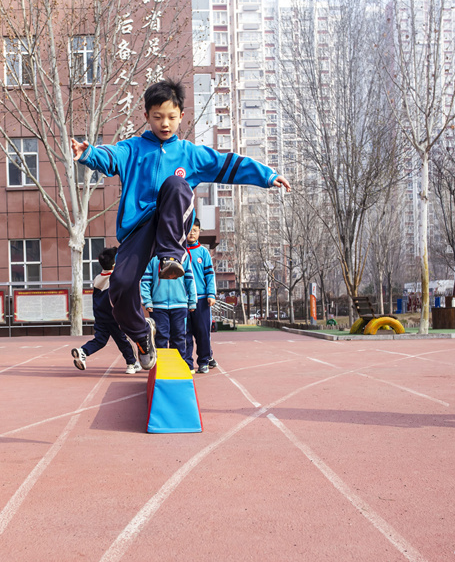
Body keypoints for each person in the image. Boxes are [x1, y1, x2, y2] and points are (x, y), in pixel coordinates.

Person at [71, 79, 290, 370]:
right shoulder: (134, 148)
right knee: (120, 286)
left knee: (176, 184)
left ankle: (171, 258)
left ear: (181, 117)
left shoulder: (190, 153)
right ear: (146, 116)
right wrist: (89, 154)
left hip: (172, 224)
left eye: (172, 117)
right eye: (158, 117)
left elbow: (227, 164)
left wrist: (265, 175)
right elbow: (112, 156)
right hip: (139, 229)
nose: (165, 124)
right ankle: (141, 337)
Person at [71, 247, 141, 374]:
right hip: (114, 317)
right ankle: (132, 364)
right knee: (123, 340)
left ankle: (83, 351)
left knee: (100, 340)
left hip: (100, 317)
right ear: (115, 264)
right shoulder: (116, 279)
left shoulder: (97, 278)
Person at [141, 254, 196, 364]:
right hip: (158, 306)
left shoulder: (183, 255)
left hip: (180, 305)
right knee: (160, 337)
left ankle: (179, 365)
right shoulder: (153, 257)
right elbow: (145, 281)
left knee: (179, 337)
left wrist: (192, 300)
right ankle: (162, 366)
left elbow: (190, 279)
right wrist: (147, 301)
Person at [183, 218, 217, 373]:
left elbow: (210, 275)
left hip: (202, 299)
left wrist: (211, 294)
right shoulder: (179, 251)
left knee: (202, 332)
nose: (191, 233)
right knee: (185, 333)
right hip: (183, 300)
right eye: (189, 230)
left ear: (199, 232)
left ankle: (203, 361)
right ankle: (187, 363)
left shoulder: (203, 252)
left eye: (195, 230)